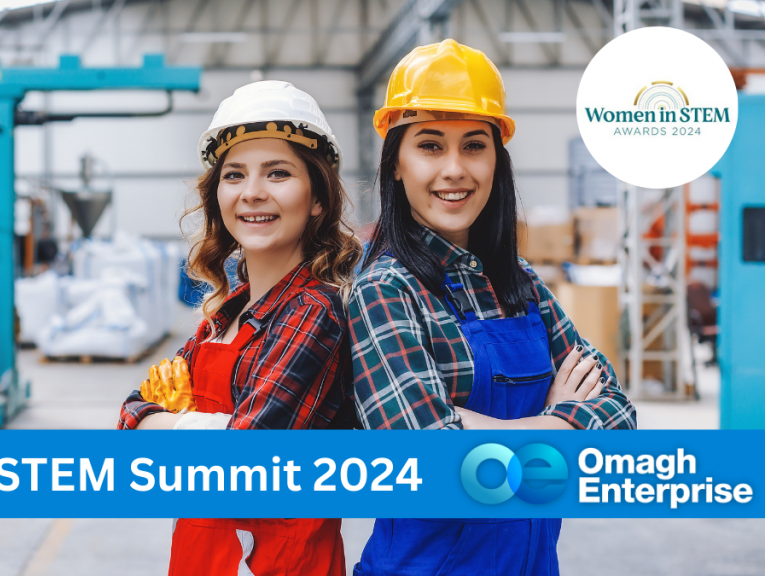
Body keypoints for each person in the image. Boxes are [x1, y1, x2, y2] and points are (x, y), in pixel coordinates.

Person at [349, 40, 638, 576]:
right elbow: (430, 461)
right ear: (396, 165)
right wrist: (558, 422)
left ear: (496, 161)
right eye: (430, 146)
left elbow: (619, 418)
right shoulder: (387, 291)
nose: (455, 169)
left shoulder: (520, 285)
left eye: (474, 146)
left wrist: (473, 425)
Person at [117, 80, 362, 576]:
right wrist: (176, 426)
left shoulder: (313, 312)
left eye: (278, 173)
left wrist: (162, 427)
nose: (252, 192)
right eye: (234, 175)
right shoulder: (224, 317)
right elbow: (128, 421)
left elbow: (245, 461)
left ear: (317, 198)